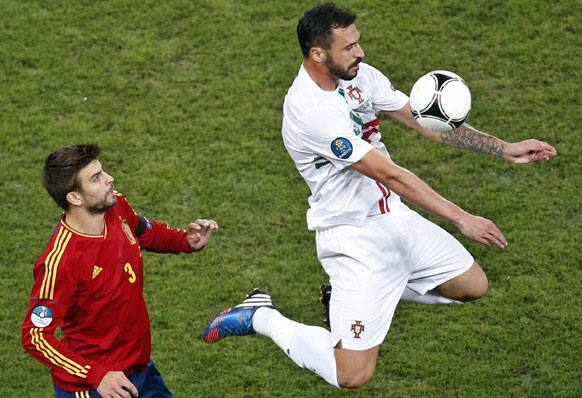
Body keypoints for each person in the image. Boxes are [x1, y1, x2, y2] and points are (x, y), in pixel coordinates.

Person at [203, 2, 557, 389]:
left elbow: (426, 122)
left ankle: (355, 298)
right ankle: (260, 316)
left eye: (358, 42)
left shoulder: (360, 76)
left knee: (472, 286)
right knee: (351, 375)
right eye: (349, 47)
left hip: (393, 217)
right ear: (317, 54)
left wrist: (503, 148)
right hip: (353, 238)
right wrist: (461, 218)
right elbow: (390, 174)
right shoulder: (310, 111)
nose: (361, 53)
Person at [21, 144, 218, 398]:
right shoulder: (61, 262)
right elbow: (35, 336)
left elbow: (145, 232)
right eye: (96, 178)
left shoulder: (115, 207)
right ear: (74, 197)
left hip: (140, 370)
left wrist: (185, 241)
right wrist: (96, 375)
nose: (109, 179)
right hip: (97, 388)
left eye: (102, 172)